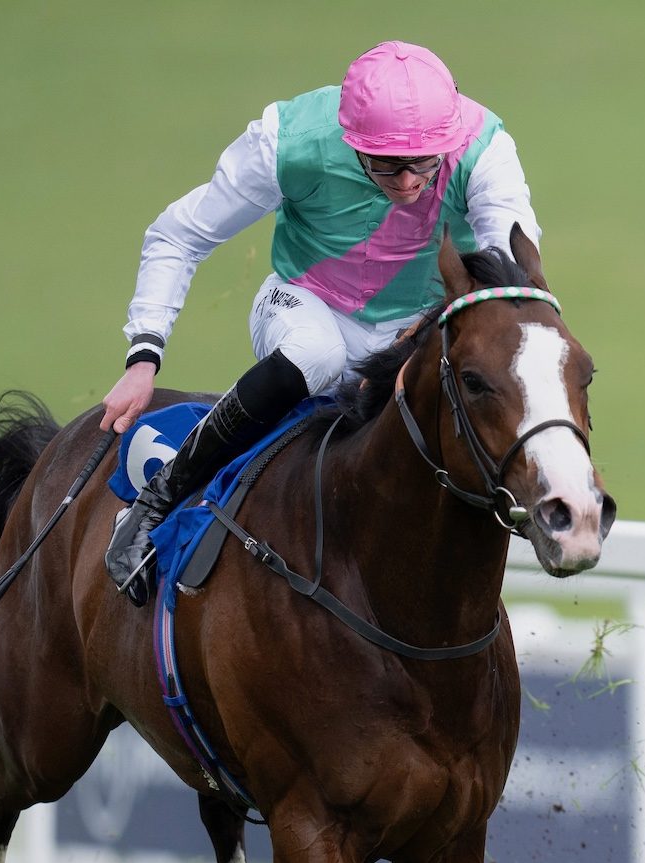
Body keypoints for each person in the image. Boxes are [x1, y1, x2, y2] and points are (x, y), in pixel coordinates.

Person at [100, 41, 543, 603]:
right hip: (306, 306)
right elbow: (177, 235)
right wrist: (144, 355)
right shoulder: (289, 141)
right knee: (318, 356)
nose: (408, 183)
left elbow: (509, 270)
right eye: (386, 164)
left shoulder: (483, 150)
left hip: (419, 327)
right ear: (350, 139)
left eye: (424, 163)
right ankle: (156, 503)